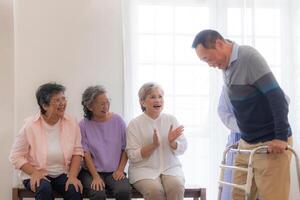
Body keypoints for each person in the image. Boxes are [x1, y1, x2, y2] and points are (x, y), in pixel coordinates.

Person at [192, 29, 292, 200]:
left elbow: (277, 97)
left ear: (219, 44)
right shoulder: (226, 66)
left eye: (208, 58)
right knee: (238, 195)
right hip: (247, 143)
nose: (209, 64)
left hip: (270, 143)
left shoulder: (248, 57)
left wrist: (281, 137)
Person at [9, 82, 84, 200]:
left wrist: (73, 176)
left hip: (62, 173)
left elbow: (77, 151)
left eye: (63, 99)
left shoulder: (71, 122)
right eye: (57, 100)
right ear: (44, 105)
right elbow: (15, 156)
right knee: (44, 189)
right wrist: (34, 173)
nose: (62, 103)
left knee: (74, 189)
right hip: (36, 173)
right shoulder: (30, 125)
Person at [126, 82, 187, 200]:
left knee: (177, 187)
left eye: (160, 96)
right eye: (152, 97)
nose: (158, 100)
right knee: (155, 191)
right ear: (142, 102)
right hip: (143, 170)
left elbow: (183, 147)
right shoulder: (134, 124)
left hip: (170, 168)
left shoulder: (171, 119)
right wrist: (153, 146)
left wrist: (172, 143)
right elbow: (132, 155)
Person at [78, 85, 131, 200]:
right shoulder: (83, 124)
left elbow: (126, 147)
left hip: (114, 171)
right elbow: (85, 153)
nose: (106, 106)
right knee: (98, 194)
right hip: (91, 172)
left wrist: (120, 170)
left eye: (107, 102)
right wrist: (96, 177)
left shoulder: (118, 120)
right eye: (101, 104)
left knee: (123, 191)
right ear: (90, 106)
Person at [218, 86, 241, 200]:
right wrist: (243, 127)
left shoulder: (259, 80)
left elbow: (284, 100)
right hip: (237, 137)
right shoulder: (228, 86)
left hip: (263, 138)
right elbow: (223, 112)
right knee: (235, 184)